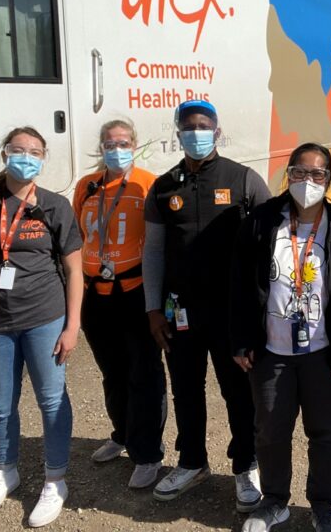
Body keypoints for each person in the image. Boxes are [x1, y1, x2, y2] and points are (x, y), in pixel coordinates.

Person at [230, 143, 331, 532]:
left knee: (326, 432)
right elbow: (240, 287)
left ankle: (323, 504)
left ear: (329, 180)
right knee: (271, 431)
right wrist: (241, 340)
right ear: (287, 175)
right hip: (272, 351)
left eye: (317, 174)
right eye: (299, 173)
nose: (308, 181)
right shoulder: (260, 221)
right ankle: (274, 501)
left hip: (323, 353)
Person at [142, 99, 270, 510]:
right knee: (186, 389)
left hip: (232, 314)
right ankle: (193, 461)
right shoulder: (163, 187)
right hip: (180, 312)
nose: (195, 132)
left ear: (216, 131)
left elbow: (270, 247)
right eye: (188, 126)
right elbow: (154, 253)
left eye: (203, 125)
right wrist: (153, 310)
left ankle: (245, 465)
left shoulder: (244, 179)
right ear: (177, 132)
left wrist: (260, 311)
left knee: (237, 392)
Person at [0, 126, 84, 528]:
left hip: (44, 318)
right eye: (18, 150)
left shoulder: (54, 206)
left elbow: (74, 270)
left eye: (34, 152)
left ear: (44, 159)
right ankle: (5, 470)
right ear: (4, 154)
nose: (25, 157)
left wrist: (72, 325)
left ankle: (54, 480)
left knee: (50, 400)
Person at [73, 118, 166, 488]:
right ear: (100, 147)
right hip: (96, 294)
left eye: (123, 143)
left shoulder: (148, 184)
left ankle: (148, 453)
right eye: (109, 144)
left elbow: (159, 242)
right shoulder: (86, 186)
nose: (116, 149)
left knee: (144, 372)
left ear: (135, 144)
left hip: (136, 292)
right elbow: (82, 234)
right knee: (112, 370)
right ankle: (123, 434)